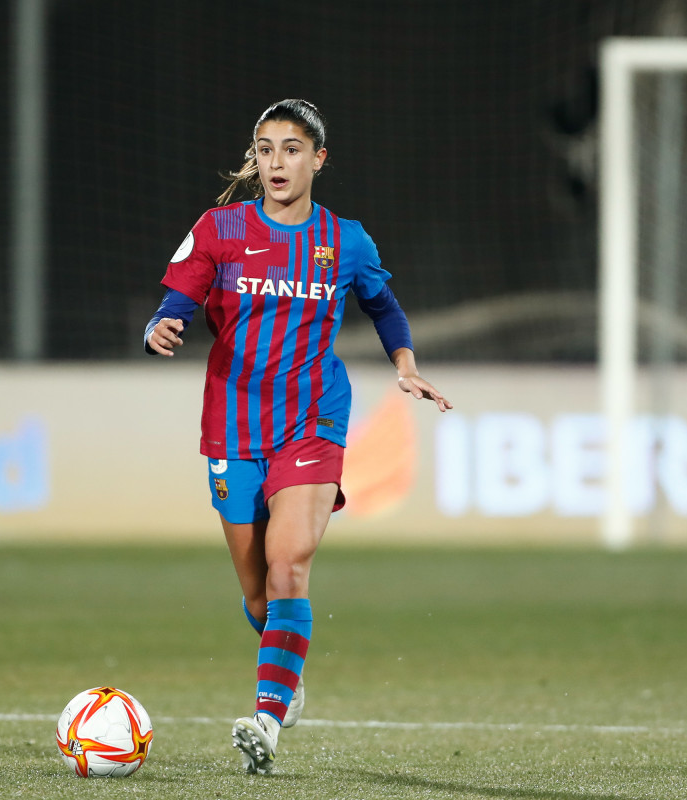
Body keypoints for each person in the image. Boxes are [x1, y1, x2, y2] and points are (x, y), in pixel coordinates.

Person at [144, 99, 452, 774]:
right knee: (259, 596)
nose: (276, 161)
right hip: (232, 423)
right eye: (265, 148)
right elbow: (177, 300)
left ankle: (266, 720)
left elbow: (383, 304)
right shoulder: (220, 228)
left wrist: (405, 367)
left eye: (291, 148)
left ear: (318, 159)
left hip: (313, 421)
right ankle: (288, 673)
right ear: (254, 159)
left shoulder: (347, 241)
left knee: (290, 567)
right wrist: (158, 328)